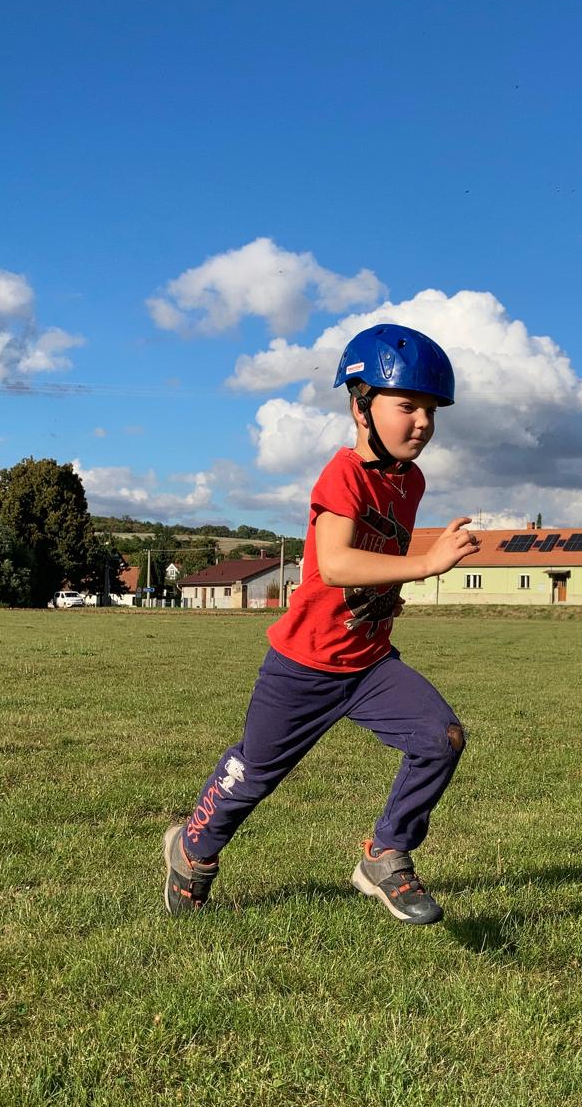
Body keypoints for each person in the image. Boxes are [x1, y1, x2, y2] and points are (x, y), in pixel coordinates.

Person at [163, 322, 480, 925]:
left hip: (368, 663)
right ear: (361, 406)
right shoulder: (343, 475)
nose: (423, 423)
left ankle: (385, 855)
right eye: (407, 407)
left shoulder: (409, 481)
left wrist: (386, 594)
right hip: (303, 667)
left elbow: (371, 560)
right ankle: (192, 850)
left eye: (432, 411)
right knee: (255, 774)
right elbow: (333, 563)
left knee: (440, 738)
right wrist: (425, 565)